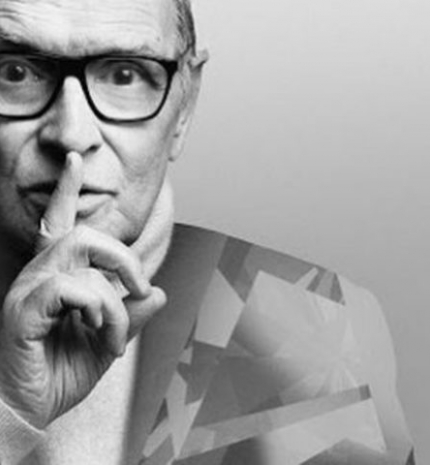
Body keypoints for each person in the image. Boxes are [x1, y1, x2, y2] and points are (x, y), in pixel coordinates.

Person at [0, 0, 415, 464]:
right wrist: (8, 416)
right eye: (15, 72)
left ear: (184, 106)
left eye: (124, 75)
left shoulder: (313, 325)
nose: (72, 134)